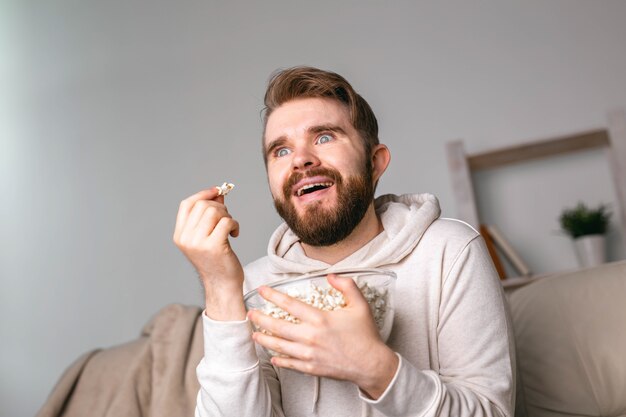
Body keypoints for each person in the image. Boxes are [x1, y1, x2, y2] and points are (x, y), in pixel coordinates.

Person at [173, 66, 515, 417]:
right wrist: (220, 287)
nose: (301, 159)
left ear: (375, 162)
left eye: (324, 137)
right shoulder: (257, 289)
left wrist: (375, 368)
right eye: (280, 151)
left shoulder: (449, 251)